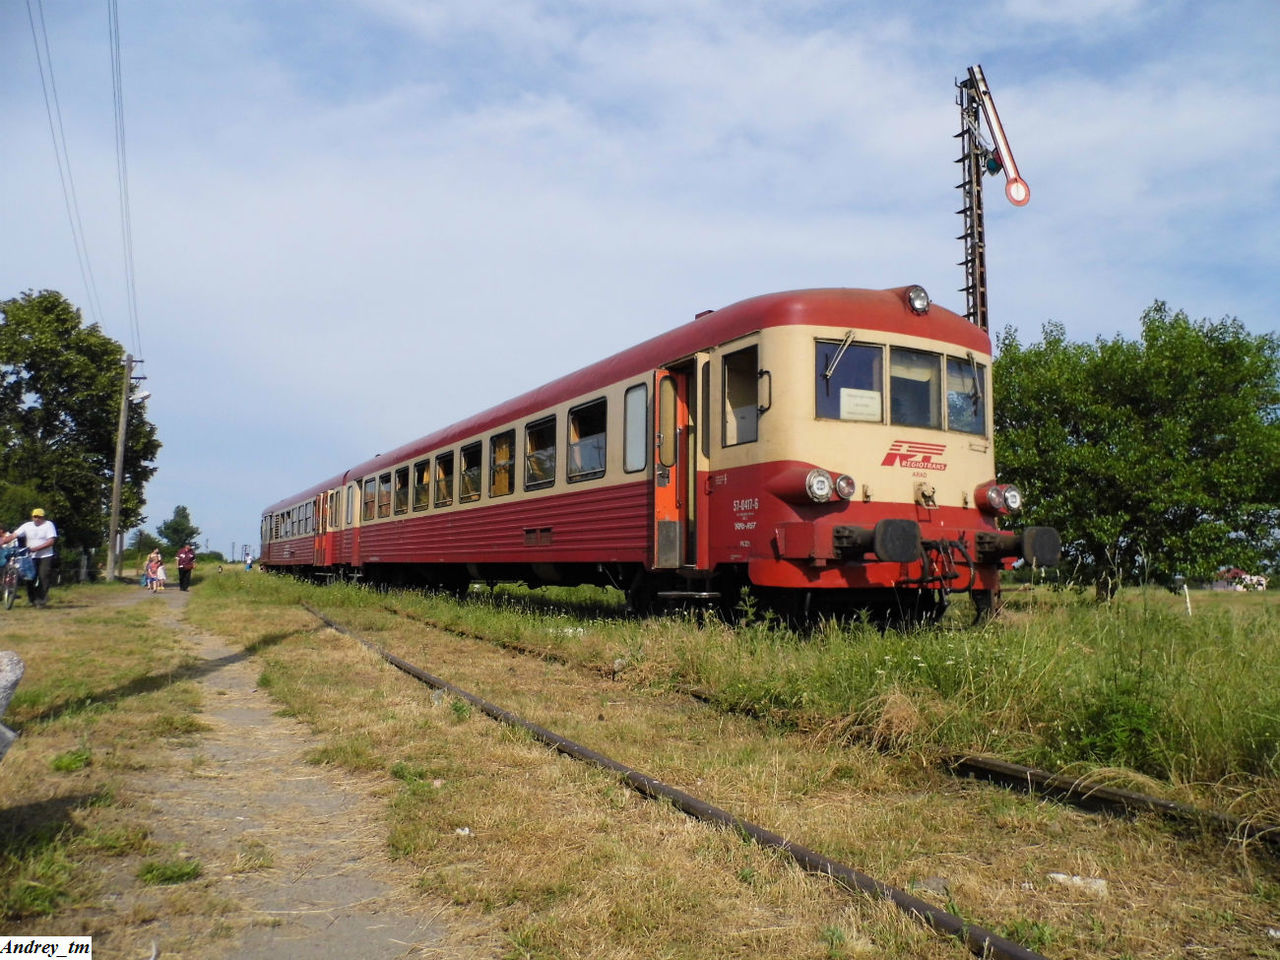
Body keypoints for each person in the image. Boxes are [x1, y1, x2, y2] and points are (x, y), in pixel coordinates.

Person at [1, 509, 58, 608]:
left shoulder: (48, 525)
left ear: (43, 517)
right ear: (32, 517)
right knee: (29, 577)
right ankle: (32, 599)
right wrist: (4, 541)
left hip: (45, 556)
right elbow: (14, 535)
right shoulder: (27, 526)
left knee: (43, 576)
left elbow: (51, 541)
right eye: (35, 516)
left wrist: (36, 548)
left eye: (39, 517)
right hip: (31, 556)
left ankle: (41, 600)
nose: (37, 519)